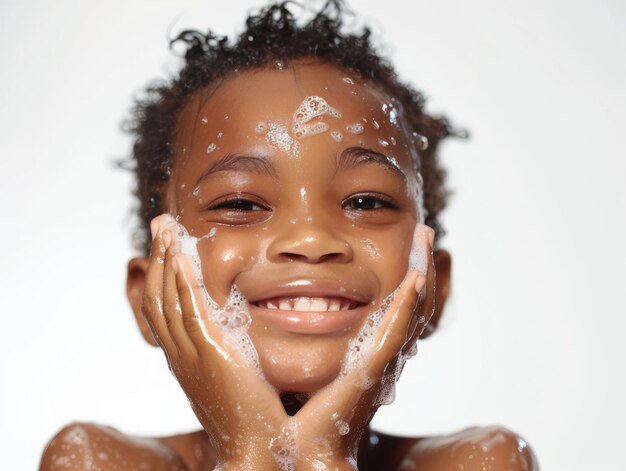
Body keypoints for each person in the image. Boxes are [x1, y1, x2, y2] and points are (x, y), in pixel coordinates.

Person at [39, 1, 538, 469]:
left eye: (366, 202)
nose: (312, 239)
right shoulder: (96, 460)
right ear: (146, 296)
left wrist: (322, 453)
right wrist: (250, 451)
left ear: (436, 283)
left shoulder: (481, 461)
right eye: (240, 204)